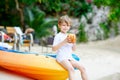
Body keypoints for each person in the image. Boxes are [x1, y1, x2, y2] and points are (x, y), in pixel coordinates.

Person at [52, 15, 88, 80]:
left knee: (82, 68)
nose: (66, 27)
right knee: (71, 69)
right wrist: (64, 41)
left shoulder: (69, 36)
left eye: (67, 25)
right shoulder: (58, 36)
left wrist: (74, 42)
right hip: (61, 57)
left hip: (69, 58)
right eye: (64, 25)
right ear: (59, 25)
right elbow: (54, 49)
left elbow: (74, 49)